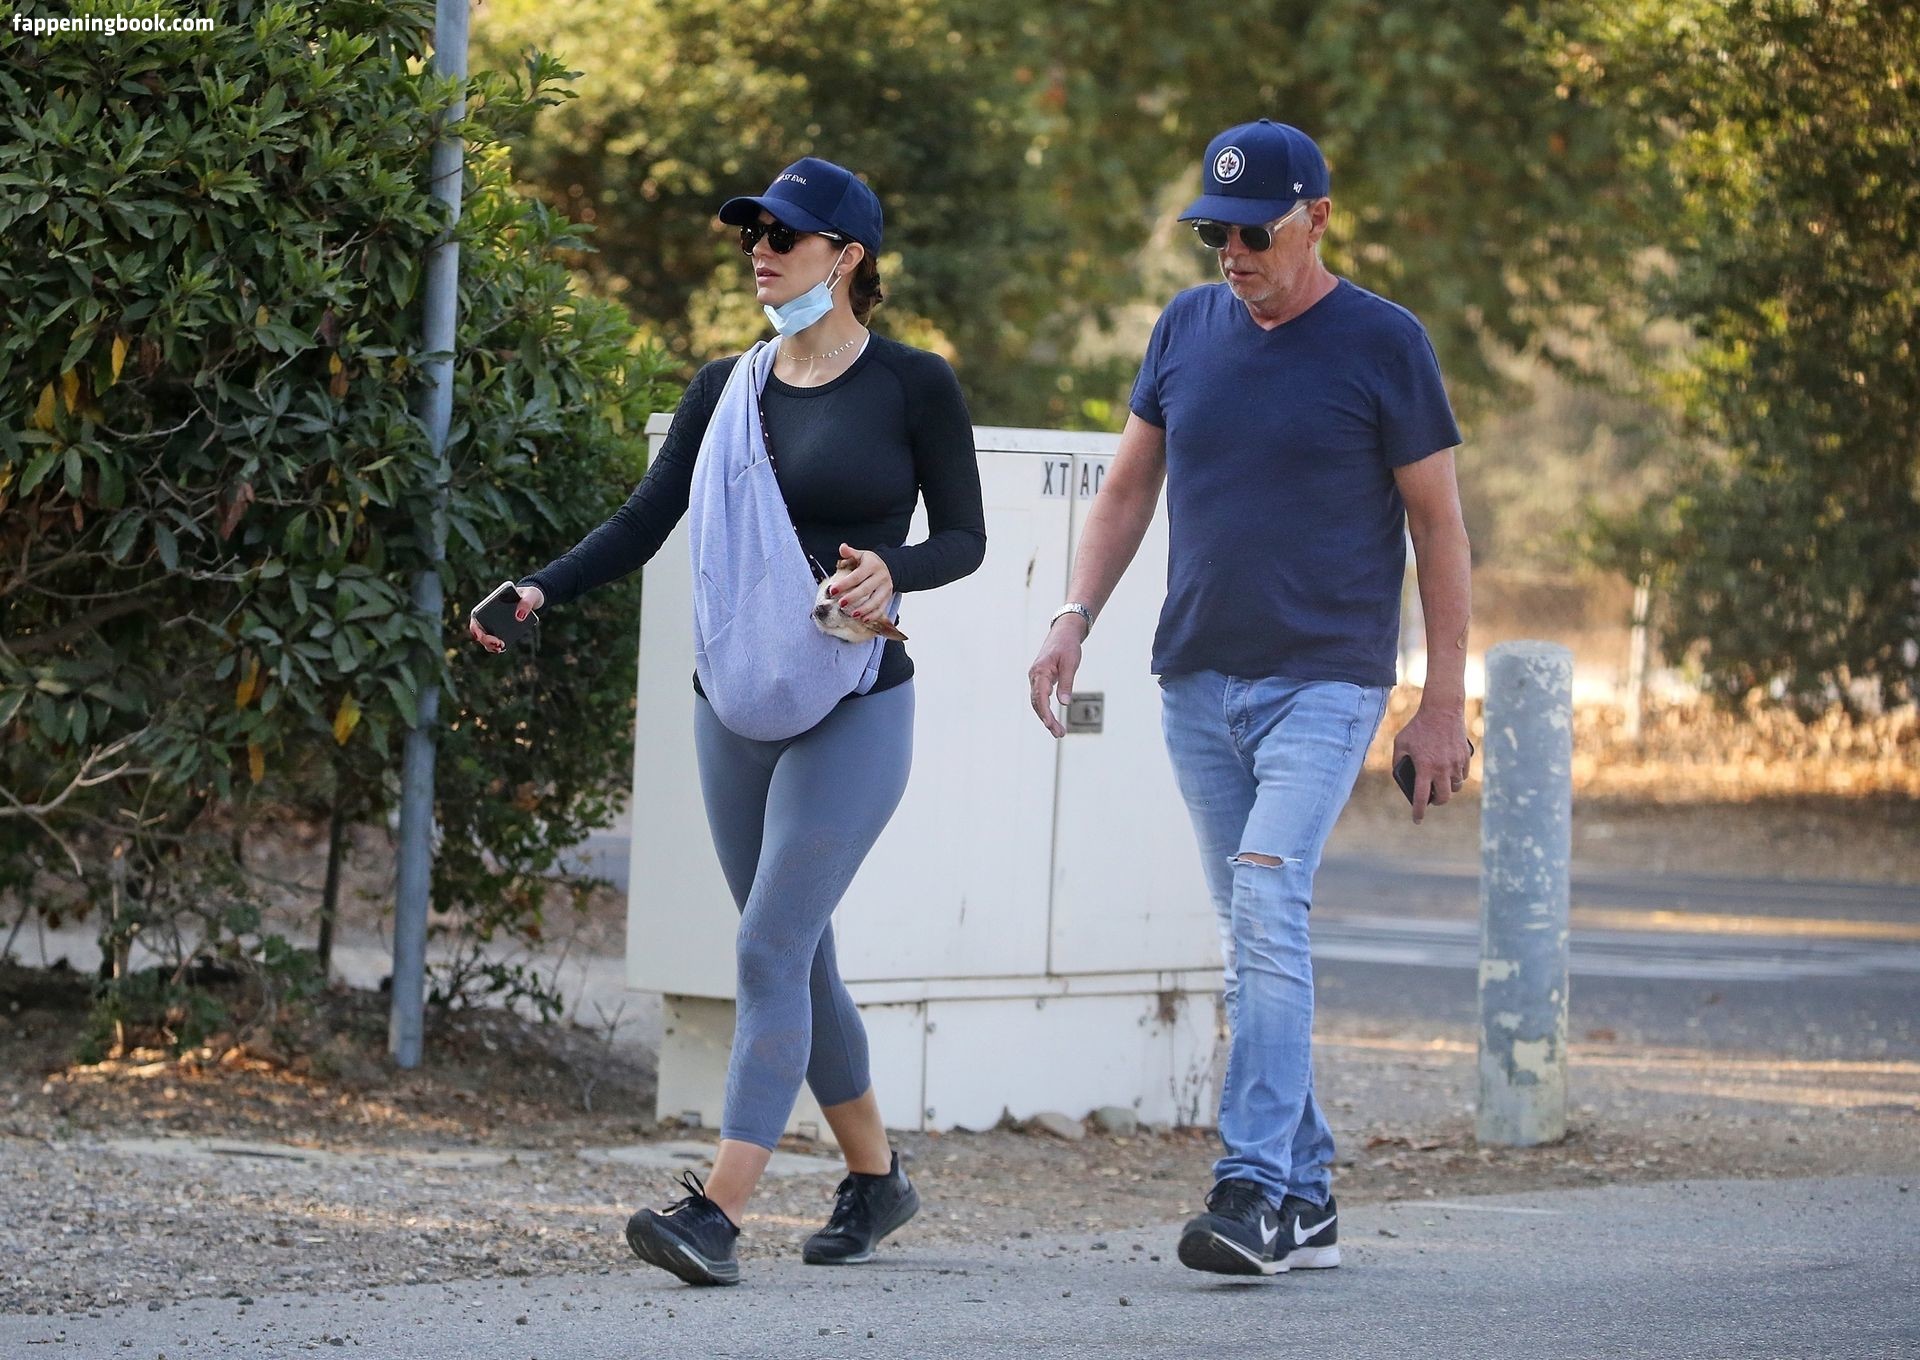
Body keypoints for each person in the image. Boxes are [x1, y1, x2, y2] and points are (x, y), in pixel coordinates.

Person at [470, 156, 987, 1286]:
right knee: (800, 956)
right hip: (736, 702)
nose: (760, 249)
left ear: (847, 257)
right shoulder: (726, 389)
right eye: (753, 231)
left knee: (765, 945)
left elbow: (965, 538)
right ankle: (877, 1179)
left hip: (854, 701)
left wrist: (891, 570)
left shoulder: (913, 384)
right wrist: (540, 589)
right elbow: (646, 516)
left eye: (785, 235)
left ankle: (717, 1211)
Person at [1026, 119, 1472, 1276]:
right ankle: (1310, 1195)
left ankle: (1254, 1189)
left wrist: (1443, 700)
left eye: (1253, 233)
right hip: (1196, 680)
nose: (1232, 252)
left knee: (1269, 912)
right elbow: (1127, 491)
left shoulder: (1385, 342)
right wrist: (1073, 616)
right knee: (1253, 941)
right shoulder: (1185, 328)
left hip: (1326, 682)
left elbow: (1439, 527)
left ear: (1316, 218)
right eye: (1213, 233)